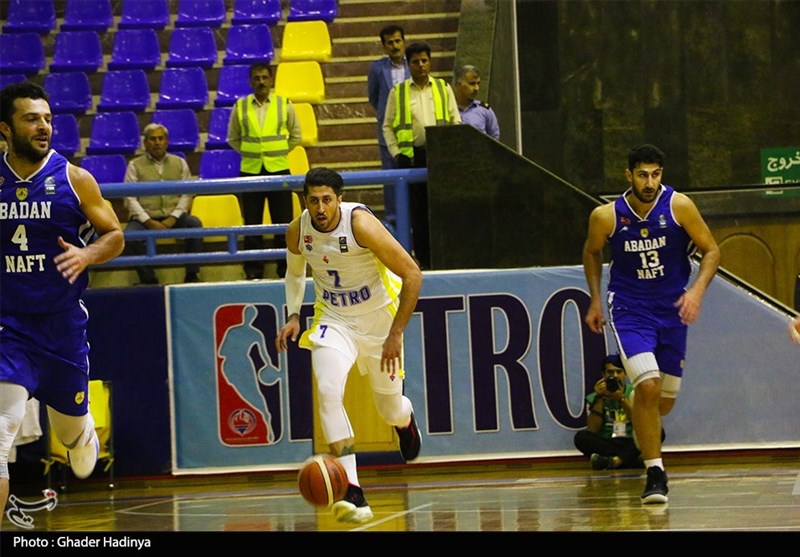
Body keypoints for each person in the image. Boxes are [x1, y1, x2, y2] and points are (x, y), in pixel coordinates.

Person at [0, 81, 125, 513]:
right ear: (5, 128)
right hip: (8, 325)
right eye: (31, 119)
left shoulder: (74, 179)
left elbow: (115, 235)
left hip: (61, 328)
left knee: (71, 438)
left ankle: (82, 430)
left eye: (48, 119)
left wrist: (87, 254)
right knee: (2, 430)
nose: (43, 127)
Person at [275, 167, 423, 523]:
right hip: (333, 320)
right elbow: (295, 272)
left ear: (339, 200)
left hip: (379, 323)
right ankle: (353, 491)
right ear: (305, 201)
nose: (320, 208)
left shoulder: (360, 224)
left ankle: (404, 421)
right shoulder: (297, 230)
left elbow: (412, 274)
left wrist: (396, 333)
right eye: (313, 200)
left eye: (327, 200)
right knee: (328, 391)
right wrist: (293, 314)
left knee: (389, 409)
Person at [582, 143, 720, 504]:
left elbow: (712, 250)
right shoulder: (606, 216)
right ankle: (655, 473)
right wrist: (595, 298)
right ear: (629, 175)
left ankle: (639, 421)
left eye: (656, 174)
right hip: (630, 309)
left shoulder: (679, 206)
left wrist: (696, 292)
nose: (649, 182)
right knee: (648, 385)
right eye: (643, 175)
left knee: (663, 402)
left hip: (672, 309)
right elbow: (592, 252)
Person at [382, 42, 461, 269]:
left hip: (440, 158)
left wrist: (451, 152)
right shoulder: (398, 93)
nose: (421, 65)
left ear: (430, 62)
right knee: (418, 216)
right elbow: (387, 127)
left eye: (424, 60)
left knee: (442, 212)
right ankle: (424, 263)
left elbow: (455, 121)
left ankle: (445, 261)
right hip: (412, 159)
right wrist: (397, 153)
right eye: (415, 61)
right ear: (409, 64)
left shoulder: (443, 88)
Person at [227, 62, 302, 280]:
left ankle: (285, 269)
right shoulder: (240, 106)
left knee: (283, 223)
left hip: (279, 170)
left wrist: (278, 152)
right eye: (256, 78)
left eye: (264, 77)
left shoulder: (284, 104)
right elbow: (233, 138)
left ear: (271, 80)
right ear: (251, 82)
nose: (261, 82)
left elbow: (296, 135)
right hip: (250, 172)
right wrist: (251, 153)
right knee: (252, 224)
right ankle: (253, 271)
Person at [123, 122, 202, 285]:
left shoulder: (180, 162)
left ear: (167, 141)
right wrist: (148, 221)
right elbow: (129, 198)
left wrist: (173, 217)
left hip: (174, 216)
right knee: (130, 236)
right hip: (145, 218)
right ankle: (149, 279)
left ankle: (192, 275)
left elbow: (187, 193)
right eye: (152, 139)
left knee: (194, 224)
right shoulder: (134, 165)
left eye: (161, 138)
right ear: (145, 143)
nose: (157, 142)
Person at [367, 24, 410, 219]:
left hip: (412, 133)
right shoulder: (377, 69)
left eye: (398, 41)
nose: (395, 46)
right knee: (391, 180)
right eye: (390, 42)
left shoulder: (414, 66)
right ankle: (393, 219)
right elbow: (374, 98)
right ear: (384, 46)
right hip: (388, 133)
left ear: (404, 42)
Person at [574, 354, 642, 470]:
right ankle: (628, 460)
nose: (615, 376)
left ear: (625, 374)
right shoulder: (594, 397)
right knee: (581, 437)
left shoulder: (634, 393)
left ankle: (614, 461)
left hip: (630, 439)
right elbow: (593, 429)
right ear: (603, 375)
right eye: (610, 372)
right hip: (607, 441)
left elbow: (640, 422)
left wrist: (621, 399)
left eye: (619, 372)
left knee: (658, 431)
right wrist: (599, 398)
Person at [453, 64, 500, 140]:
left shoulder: (484, 110)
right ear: (459, 85)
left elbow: (494, 138)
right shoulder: (449, 109)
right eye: (472, 84)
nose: (476, 88)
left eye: (478, 83)